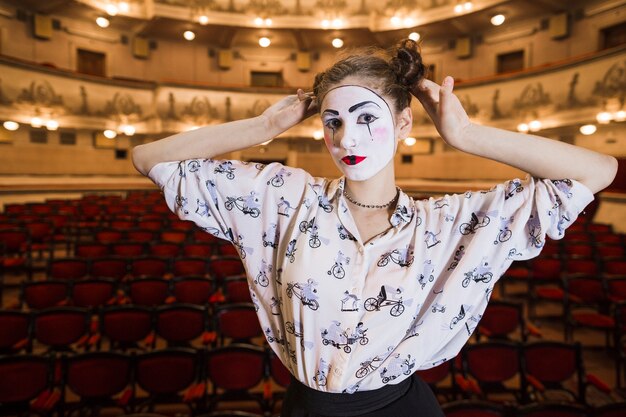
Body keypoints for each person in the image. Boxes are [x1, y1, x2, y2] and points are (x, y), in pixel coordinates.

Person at [132, 39, 617, 416]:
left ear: (405, 123)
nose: (347, 137)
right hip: (308, 409)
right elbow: (148, 158)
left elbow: (597, 172)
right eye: (332, 121)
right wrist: (260, 129)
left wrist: (465, 135)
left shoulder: (450, 224)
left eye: (367, 118)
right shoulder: (283, 199)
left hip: (399, 412)